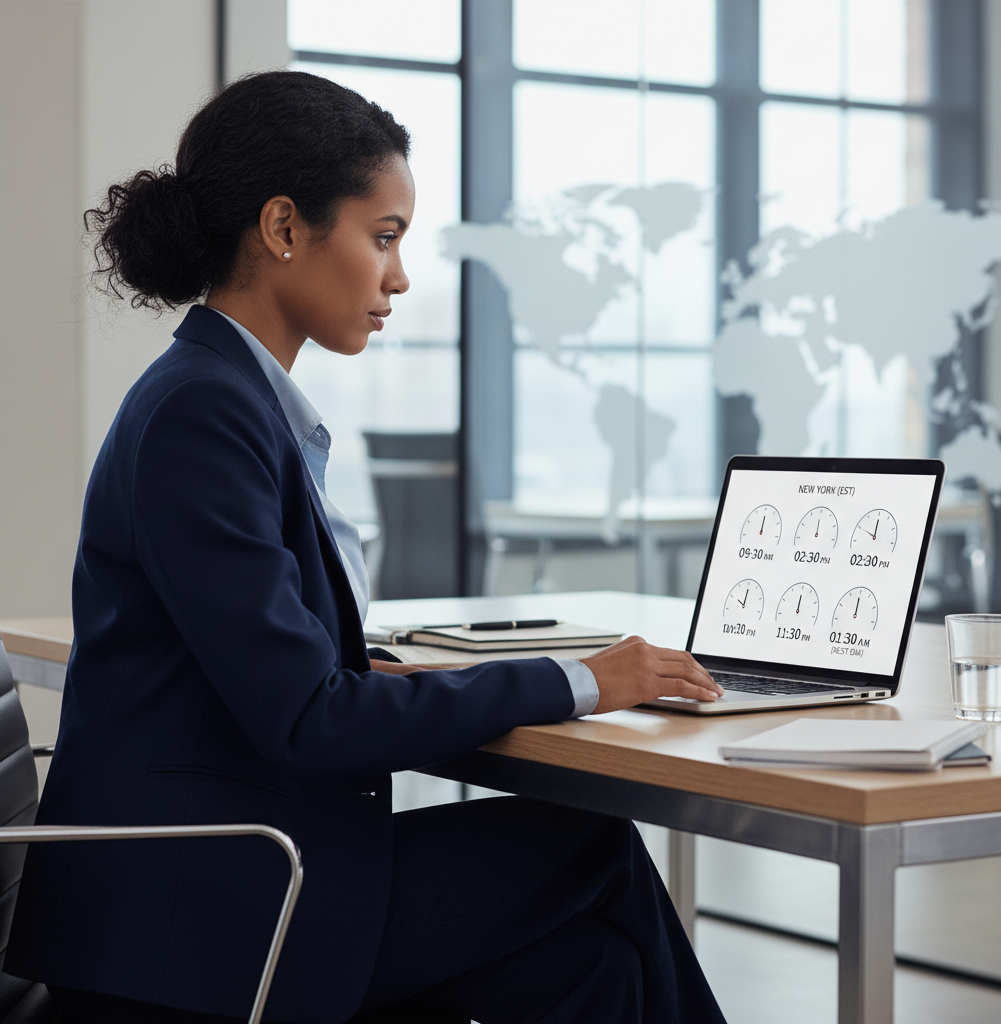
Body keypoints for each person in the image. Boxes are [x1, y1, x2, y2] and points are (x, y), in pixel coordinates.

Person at [7, 71, 726, 1024]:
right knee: (593, 847)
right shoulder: (204, 414)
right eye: (383, 236)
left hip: (221, 878)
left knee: (591, 967)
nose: (399, 277)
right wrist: (583, 680)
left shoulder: (224, 398)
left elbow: (270, 673)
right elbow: (312, 720)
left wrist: (376, 674)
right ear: (283, 227)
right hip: (205, 917)